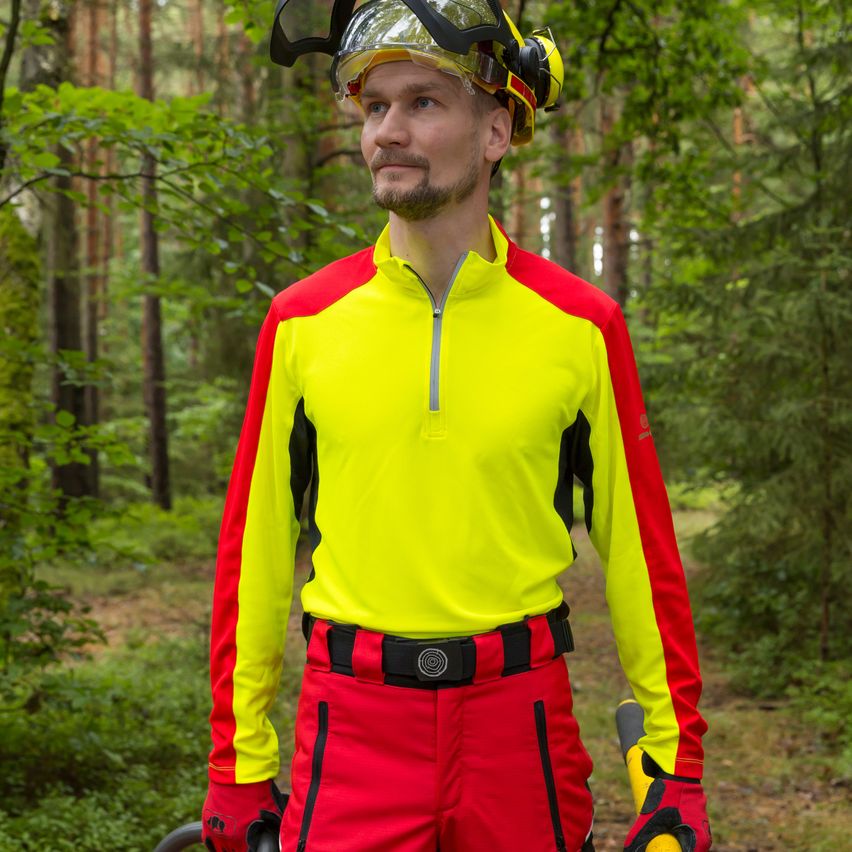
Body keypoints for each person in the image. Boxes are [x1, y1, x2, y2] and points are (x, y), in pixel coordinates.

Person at [202, 1, 711, 850]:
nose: (386, 133)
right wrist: (237, 761)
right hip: (351, 722)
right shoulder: (303, 322)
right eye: (374, 107)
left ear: (497, 131)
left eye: (423, 103)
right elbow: (251, 553)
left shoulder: (581, 326)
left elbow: (641, 554)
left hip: (522, 727)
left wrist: (676, 766)